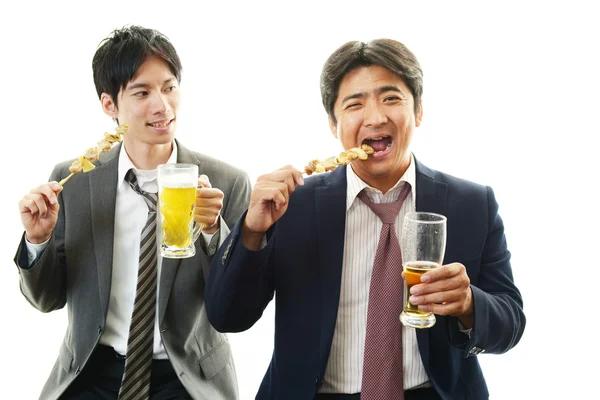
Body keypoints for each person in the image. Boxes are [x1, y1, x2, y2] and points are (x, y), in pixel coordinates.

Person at [205, 38, 525, 400]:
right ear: (333, 123)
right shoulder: (292, 205)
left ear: (418, 111)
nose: (375, 117)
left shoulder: (472, 203)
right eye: (355, 104)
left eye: (391, 98)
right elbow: (227, 316)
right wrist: (251, 229)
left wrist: (469, 303)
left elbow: (510, 321)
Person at [15, 25, 251, 400]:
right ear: (110, 105)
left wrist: (210, 230)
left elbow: (235, 305)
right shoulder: (72, 180)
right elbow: (46, 299)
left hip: (185, 377)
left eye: (169, 87)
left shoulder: (227, 182)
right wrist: (38, 240)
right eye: (142, 92)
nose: (163, 106)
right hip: (91, 372)